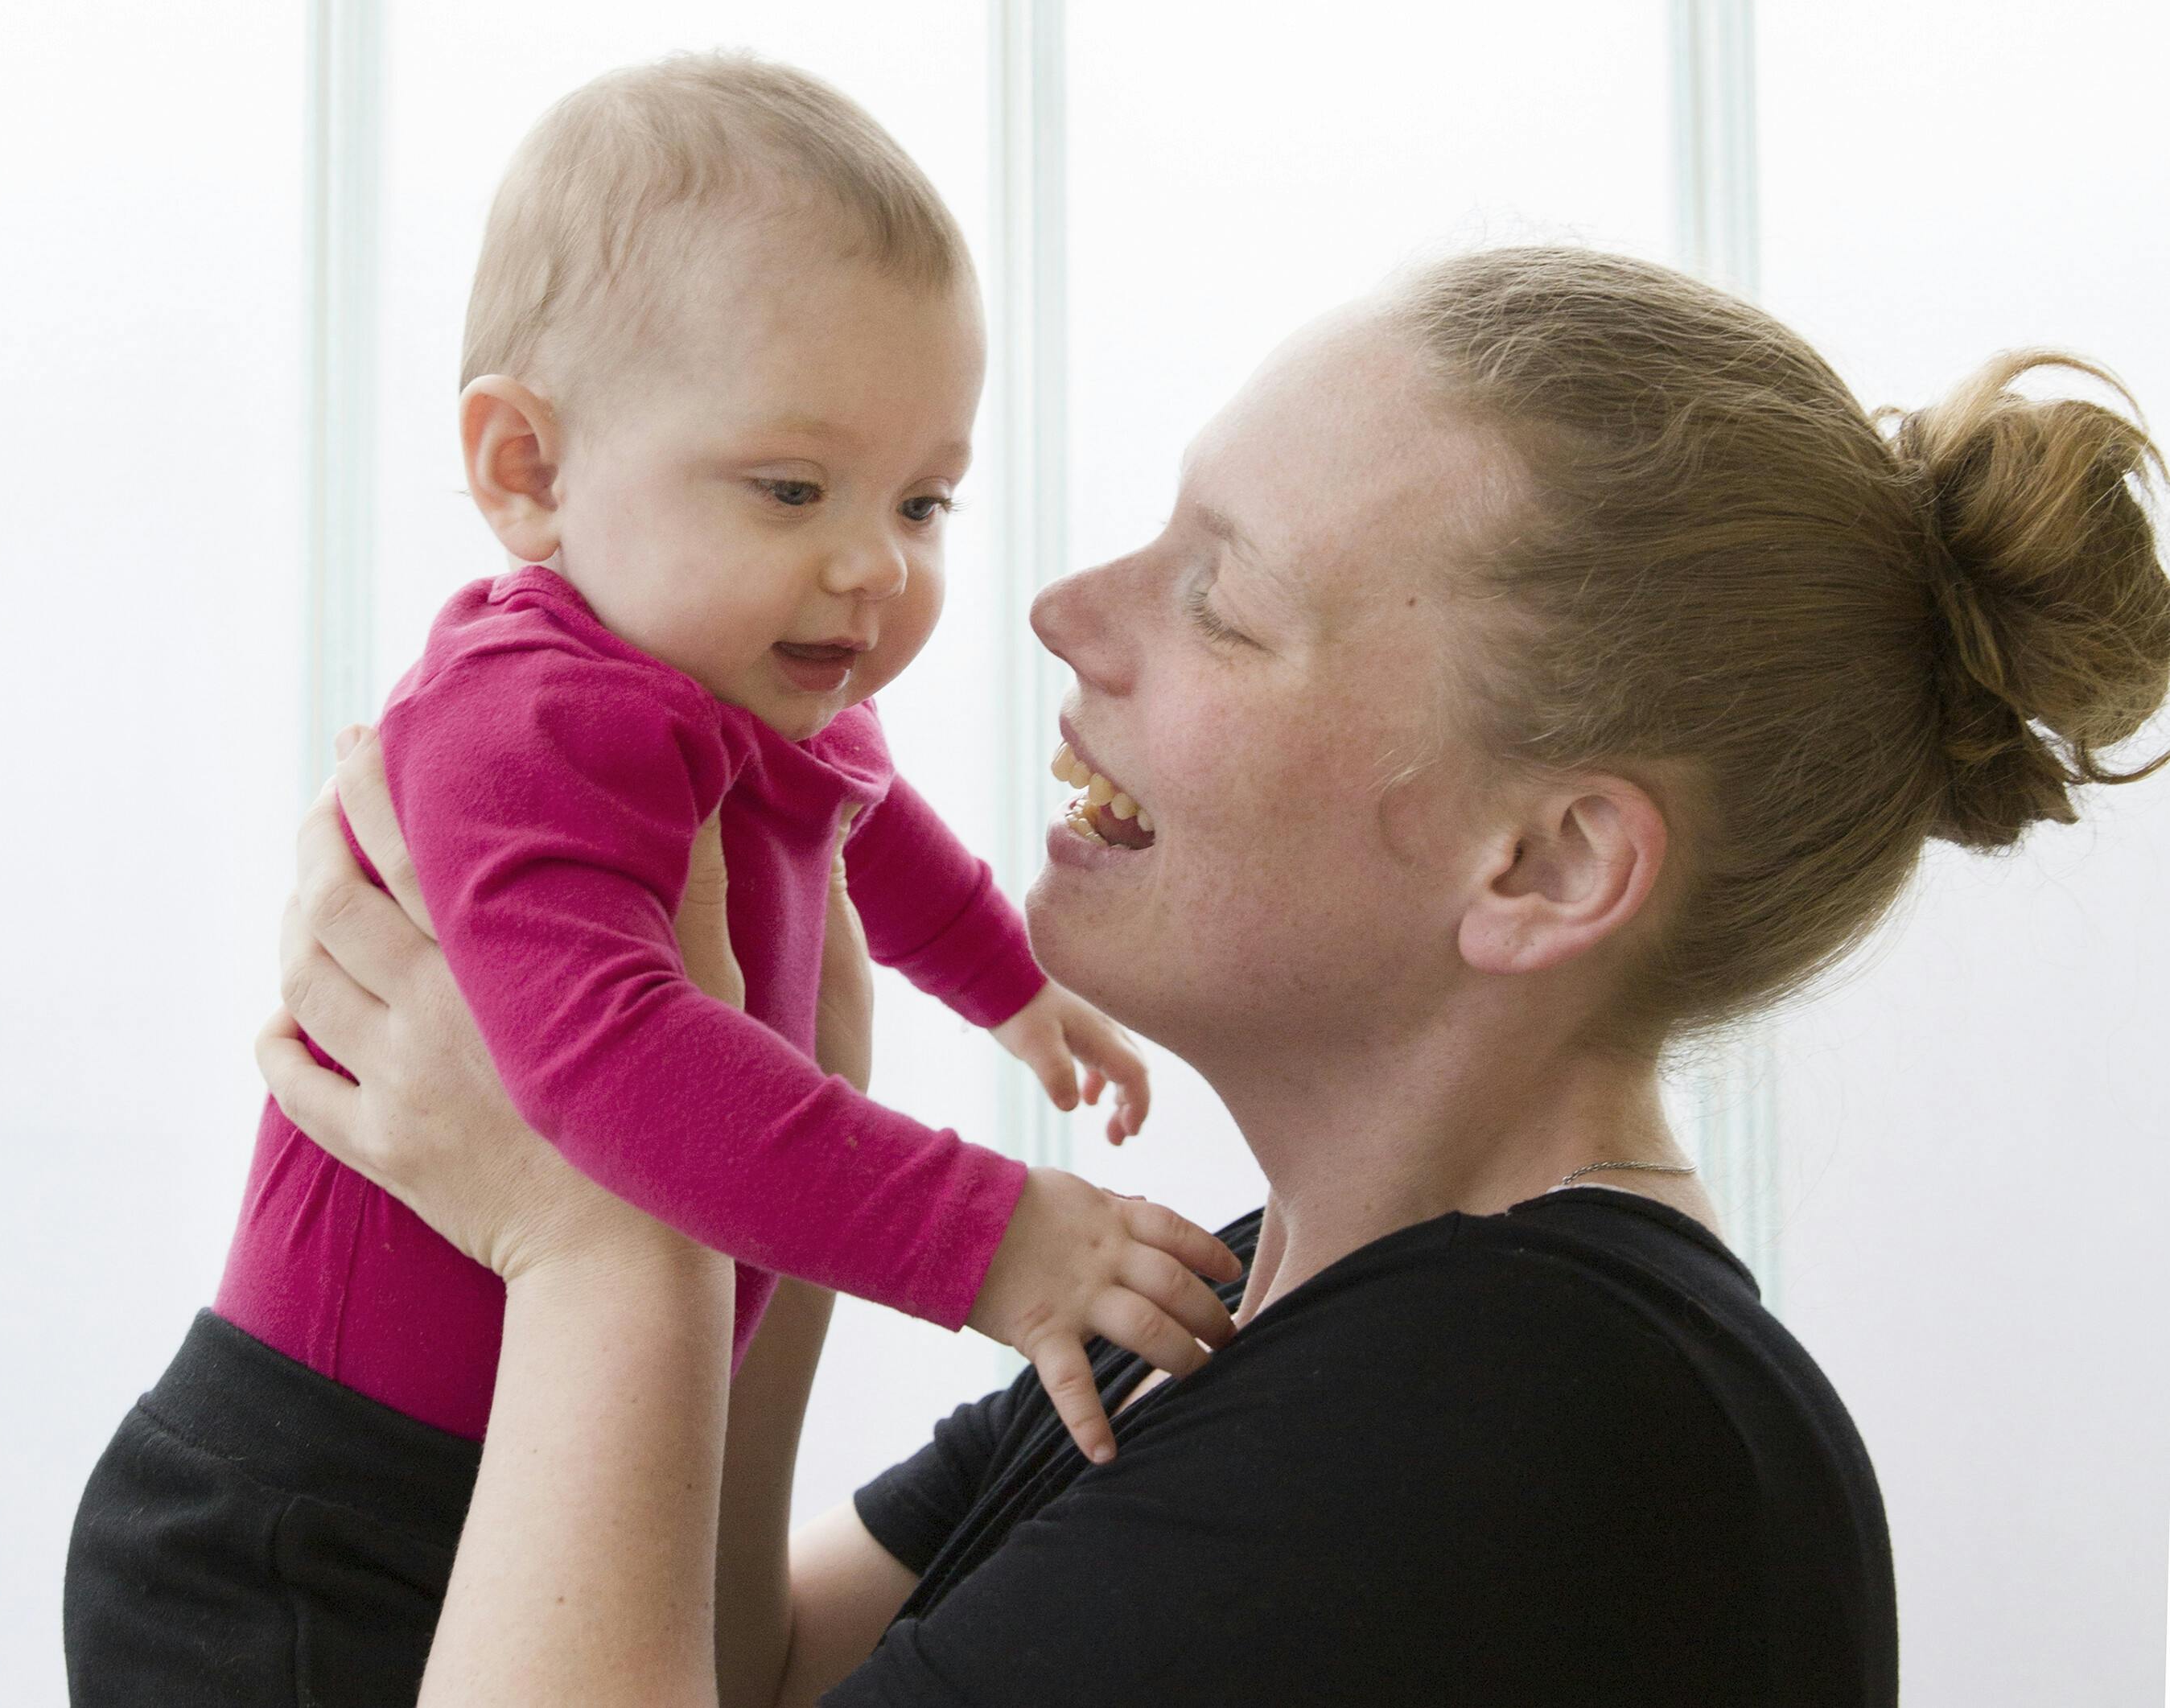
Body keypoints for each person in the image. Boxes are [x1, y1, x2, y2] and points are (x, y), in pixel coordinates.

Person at [262, 246, 2170, 1706]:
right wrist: (758, 1125)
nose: (1056, 613)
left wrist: (608, 1243)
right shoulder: (1234, 1317)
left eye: (1221, 601)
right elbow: (752, 1673)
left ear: (1547, 863)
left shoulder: (1533, 1424)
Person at [64, 55, 1237, 1708]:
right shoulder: (530, 714)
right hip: (306, 1527)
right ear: (525, 469)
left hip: (514, 1475)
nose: (873, 566)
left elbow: (869, 825)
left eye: (920, 499)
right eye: (790, 488)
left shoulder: (750, 682)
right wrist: (984, 1237)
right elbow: (611, 1070)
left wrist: (1012, 988)